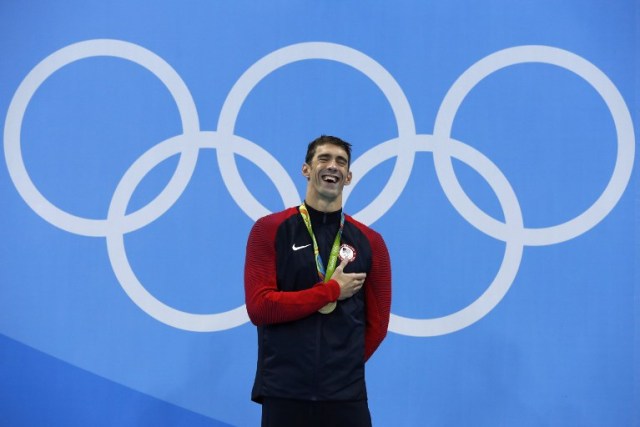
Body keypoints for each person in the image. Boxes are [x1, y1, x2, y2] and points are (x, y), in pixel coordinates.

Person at [244, 135, 392, 427]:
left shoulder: (371, 242)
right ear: (306, 170)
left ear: (348, 177)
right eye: (324, 158)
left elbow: (377, 324)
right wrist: (331, 290)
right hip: (284, 391)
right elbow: (260, 307)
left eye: (341, 161)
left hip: (345, 396)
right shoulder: (269, 230)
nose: (332, 166)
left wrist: (340, 366)